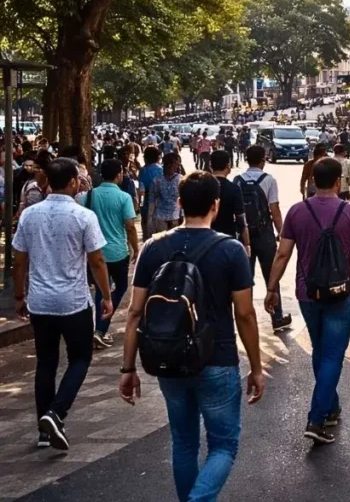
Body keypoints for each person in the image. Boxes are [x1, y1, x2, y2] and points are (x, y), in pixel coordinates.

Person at [118, 172, 264, 500]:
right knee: (223, 446)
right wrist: (255, 367)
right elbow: (244, 314)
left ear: (180, 203)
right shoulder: (231, 251)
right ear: (216, 205)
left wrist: (127, 368)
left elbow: (135, 312)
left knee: (183, 443)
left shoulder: (153, 248)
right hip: (218, 359)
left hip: (168, 358)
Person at [265, 157, 350, 443]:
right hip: (342, 293)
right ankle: (316, 418)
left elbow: (282, 254)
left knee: (320, 351)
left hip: (307, 292)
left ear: (312, 181)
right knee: (332, 354)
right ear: (338, 182)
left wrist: (272, 288)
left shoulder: (297, 212)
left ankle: (330, 407)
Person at [12, 158, 111, 451]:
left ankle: (44, 431)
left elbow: (19, 261)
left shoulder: (30, 216)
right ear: (69, 182)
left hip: (40, 302)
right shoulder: (83, 216)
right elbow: (96, 259)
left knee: (46, 362)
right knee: (80, 358)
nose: (81, 181)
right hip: (73, 301)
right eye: (78, 177)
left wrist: (20, 295)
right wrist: (106, 295)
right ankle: (56, 412)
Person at [79, 159, 140, 349]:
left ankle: (99, 328)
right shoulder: (124, 197)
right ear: (119, 174)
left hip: (94, 252)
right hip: (117, 252)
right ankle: (101, 329)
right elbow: (130, 226)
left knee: (101, 288)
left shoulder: (87, 196)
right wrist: (136, 249)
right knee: (120, 287)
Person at [236, 146, 291, 332]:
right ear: (263, 160)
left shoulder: (237, 180)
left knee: (245, 277)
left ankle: (247, 318)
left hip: (244, 237)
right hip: (265, 233)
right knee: (271, 275)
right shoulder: (268, 180)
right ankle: (277, 317)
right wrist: (282, 233)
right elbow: (274, 210)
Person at [210, 150, 251, 255]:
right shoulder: (234, 188)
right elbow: (240, 218)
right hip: (227, 237)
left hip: (204, 238)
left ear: (211, 165)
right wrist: (246, 243)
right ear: (228, 165)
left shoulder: (201, 185)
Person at [147, 153, 183, 234]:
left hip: (163, 218)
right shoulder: (181, 179)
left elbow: (152, 201)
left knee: (163, 243)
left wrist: (150, 218)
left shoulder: (156, 180)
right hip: (172, 217)